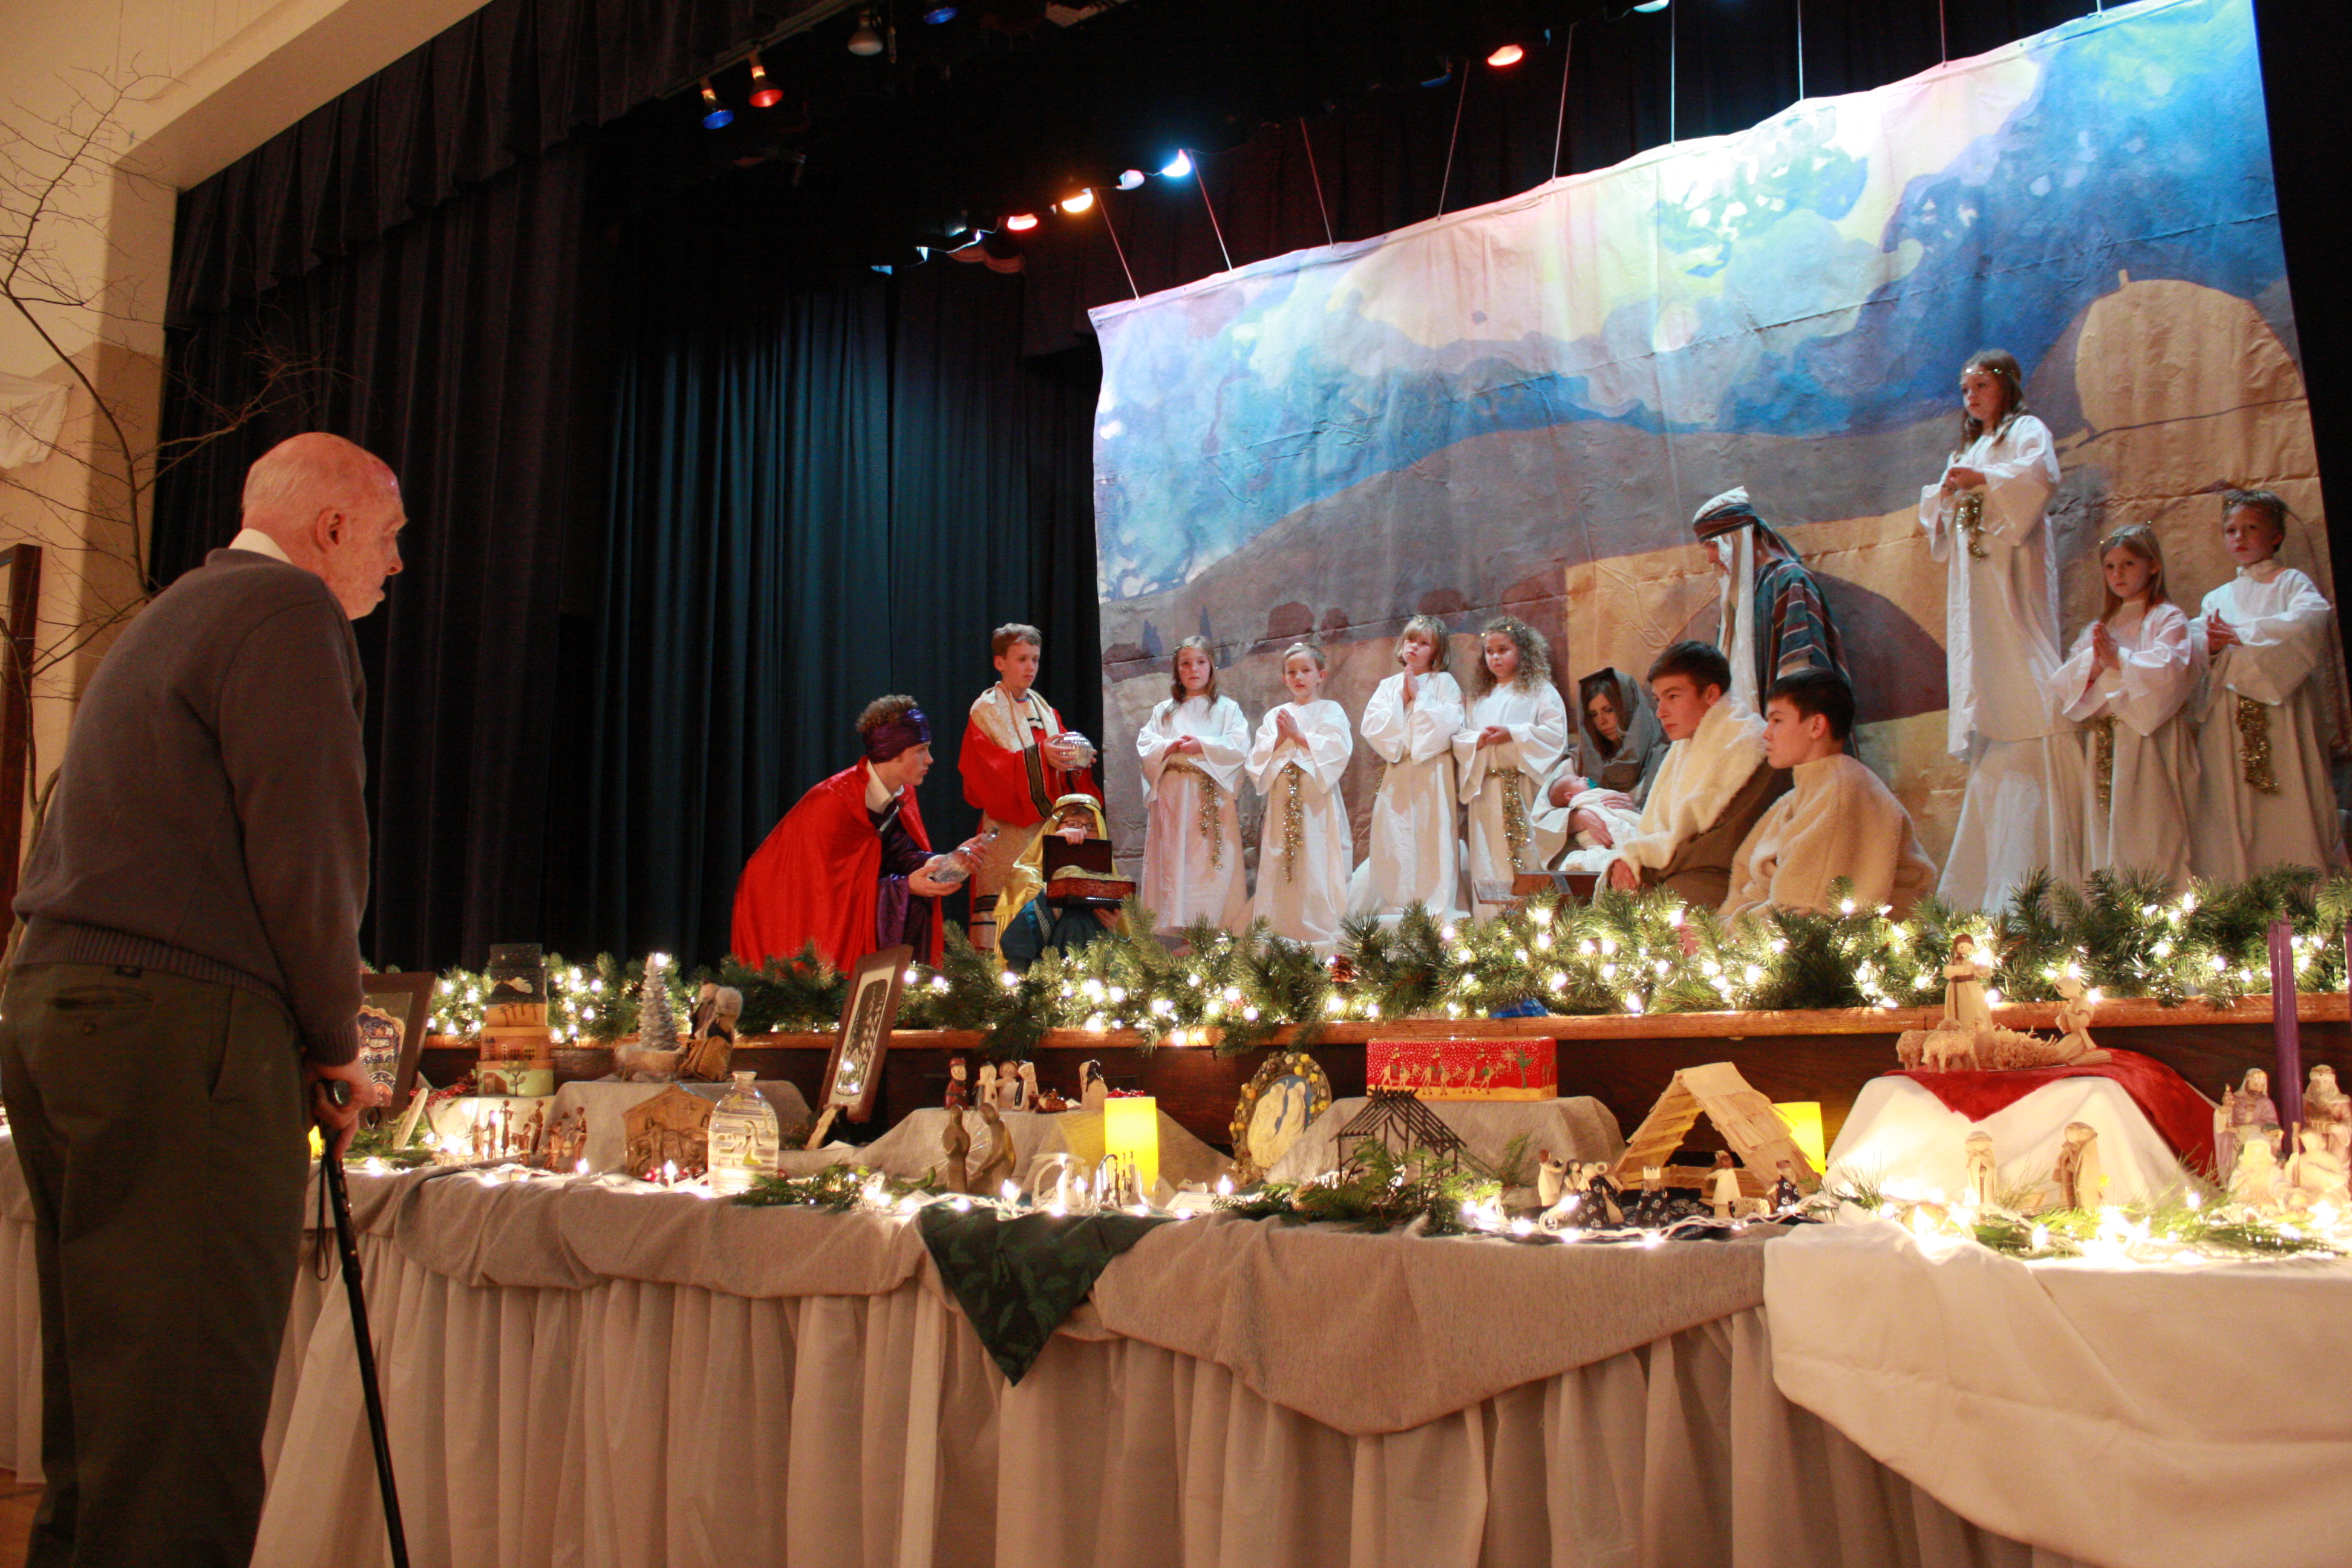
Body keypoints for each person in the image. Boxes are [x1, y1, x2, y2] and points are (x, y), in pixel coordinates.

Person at [0, 433, 394, 1566]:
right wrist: (336, 1038)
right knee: (180, 1424)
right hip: (177, 1024)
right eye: (388, 535)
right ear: (330, 527)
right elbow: (307, 845)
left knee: (106, 1417)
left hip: (56, 1004)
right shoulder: (287, 612)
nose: (394, 563)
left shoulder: (174, 610)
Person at [1917, 348, 2086, 910]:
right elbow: (1938, 514)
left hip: (2012, 566)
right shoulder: (1967, 449)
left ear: (2007, 387)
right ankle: (1991, 704)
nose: (1972, 397)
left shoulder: (2026, 432)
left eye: (1981, 386)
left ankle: (2026, 697)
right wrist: (1947, 493)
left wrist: (1984, 479)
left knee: (2016, 626)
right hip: (1975, 577)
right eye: (1966, 390)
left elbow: (2040, 476)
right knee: (1978, 640)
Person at [731, 695, 979, 970]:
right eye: (921, 750)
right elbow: (825, 894)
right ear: (894, 752)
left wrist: (941, 861)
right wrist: (905, 887)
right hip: (776, 906)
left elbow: (897, 854)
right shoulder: (833, 802)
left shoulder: (902, 792)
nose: (930, 759)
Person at [2186, 490, 2344, 880]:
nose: (2239, 537)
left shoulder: (2291, 583)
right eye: (2231, 530)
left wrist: (2242, 636)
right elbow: (2197, 642)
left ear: (2276, 535)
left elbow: (2309, 620)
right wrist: (2213, 645)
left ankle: (2304, 884)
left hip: (2282, 710)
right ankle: (2242, 886)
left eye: (2251, 528)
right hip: (2228, 716)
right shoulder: (2217, 597)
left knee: (2291, 793)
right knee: (2233, 801)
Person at [1720, 669, 1936, 923]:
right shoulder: (1798, 796)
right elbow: (1747, 875)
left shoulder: (1843, 790)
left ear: (1816, 726)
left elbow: (1808, 911)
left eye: (1777, 721)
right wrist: (1717, 927)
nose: (1766, 733)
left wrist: (1726, 931)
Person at [2051, 524, 2196, 889]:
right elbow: (2067, 681)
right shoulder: (2101, 626)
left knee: (2151, 824)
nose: (2118, 574)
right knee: (2106, 826)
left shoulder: (2167, 618)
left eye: (2129, 564)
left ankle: (2165, 906)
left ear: (2153, 565)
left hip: (2150, 740)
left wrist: (2119, 661)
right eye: (2110, 566)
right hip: (2106, 741)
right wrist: (2097, 665)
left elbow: (2171, 669)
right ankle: (2114, 908)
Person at [1604, 641, 1789, 908]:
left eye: (1673, 696)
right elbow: (1657, 829)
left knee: (1658, 915)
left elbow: (1722, 849)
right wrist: (1629, 860)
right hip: (1678, 873)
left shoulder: (1755, 751)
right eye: (1658, 700)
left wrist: (1642, 860)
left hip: (1723, 882)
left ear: (1711, 694)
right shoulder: (1682, 748)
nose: (1661, 712)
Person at [961, 624, 1100, 952]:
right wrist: (1039, 757)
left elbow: (1061, 765)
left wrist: (1076, 762)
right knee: (1006, 920)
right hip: (1006, 834)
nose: (1031, 667)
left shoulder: (1045, 710)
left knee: (1046, 916)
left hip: (1046, 830)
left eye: (1035, 659)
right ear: (1000, 663)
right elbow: (984, 774)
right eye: (1021, 659)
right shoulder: (985, 711)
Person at [1691, 486, 1849, 713]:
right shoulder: (1736, 595)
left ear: (1741, 537)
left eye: (1714, 545)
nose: (1710, 558)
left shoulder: (1788, 581)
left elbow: (1799, 673)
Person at [1351, 615, 1466, 921]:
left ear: (1436, 652)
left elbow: (1452, 723)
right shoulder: (1388, 686)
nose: (1414, 646)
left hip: (1432, 772)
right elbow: (1372, 727)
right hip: (1399, 772)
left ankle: (1433, 903)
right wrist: (1401, 699)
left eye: (1424, 642)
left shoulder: (1444, 683)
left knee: (1431, 833)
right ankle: (1397, 901)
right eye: (1410, 640)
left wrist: (1420, 697)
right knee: (1395, 834)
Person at [1454, 616, 1570, 918]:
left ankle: (1534, 925)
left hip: (1524, 786)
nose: (1495, 657)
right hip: (1486, 792)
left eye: (1503, 650)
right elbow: (1460, 737)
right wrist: (1477, 740)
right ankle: (1490, 928)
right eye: (1489, 651)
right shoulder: (1479, 698)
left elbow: (1555, 734)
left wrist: (1514, 734)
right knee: (1488, 858)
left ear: (1523, 651)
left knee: (1527, 852)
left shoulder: (1540, 690)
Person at [1135, 635, 1250, 936]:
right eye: (1185, 664)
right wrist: (1169, 746)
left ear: (1211, 666)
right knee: (1175, 860)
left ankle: (1212, 929)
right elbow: (1146, 745)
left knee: (1209, 861)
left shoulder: (1227, 709)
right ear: (1177, 670)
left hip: (1209, 795)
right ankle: (1176, 929)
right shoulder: (1164, 711)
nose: (1193, 669)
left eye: (1200, 662)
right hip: (1173, 797)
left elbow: (1239, 745)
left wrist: (1203, 745)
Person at [1247, 641, 1354, 950]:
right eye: (1291, 672)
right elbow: (1257, 759)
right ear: (1284, 678)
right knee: (1281, 858)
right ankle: (1280, 926)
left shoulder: (1330, 710)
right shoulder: (1276, 715)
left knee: (1316, 857)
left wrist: (1299, 737)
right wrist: (1281, 738)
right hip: (1282, 800)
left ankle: (1319, 928)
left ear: (1321, 675)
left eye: (1306, 670)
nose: (1298, 677)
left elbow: (1338, 749)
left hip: (1315, 801)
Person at [1541, 668, 1665, 873]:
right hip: (1591, 868)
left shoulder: (1663, 758)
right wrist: (1580, 818)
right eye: (1593, 714)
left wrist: (1636, 813)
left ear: (1628, 707)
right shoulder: (1578, 762)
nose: (1601, 722)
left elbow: (1675, 822)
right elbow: (1542, 819)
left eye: (1609, 710)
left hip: (1645, 866)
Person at [996, 793, 1123, 968]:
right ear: (1055, 827)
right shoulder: (1027, 874)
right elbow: (1020, 937)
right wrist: (1059, 852)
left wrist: (1113, 928)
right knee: (1075, 920)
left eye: (1091, 826)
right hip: (1044, 965)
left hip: (1097, 964)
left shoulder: (1111, 882)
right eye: (1073, 824)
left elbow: (1129, 942)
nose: (1083, 833)